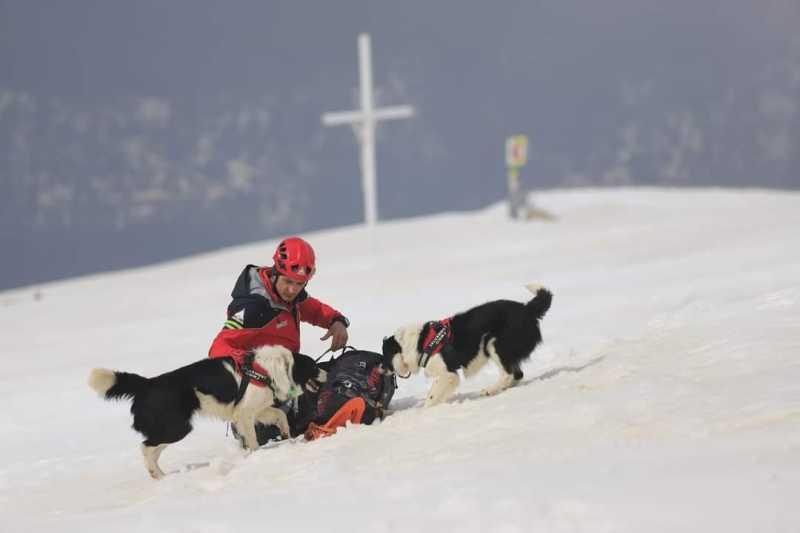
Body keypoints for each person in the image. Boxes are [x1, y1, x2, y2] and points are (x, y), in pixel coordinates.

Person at [208, 236, 350, 442]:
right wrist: (253, 365)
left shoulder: (292, 297)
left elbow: (315, 309)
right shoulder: (252, 309)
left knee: (343, 376)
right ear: (276, 271)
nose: (292, 290)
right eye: (288, 282)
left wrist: (336, 321)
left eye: (299, 284)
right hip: (257, 397)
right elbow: (218, 349)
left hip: (286, 382)